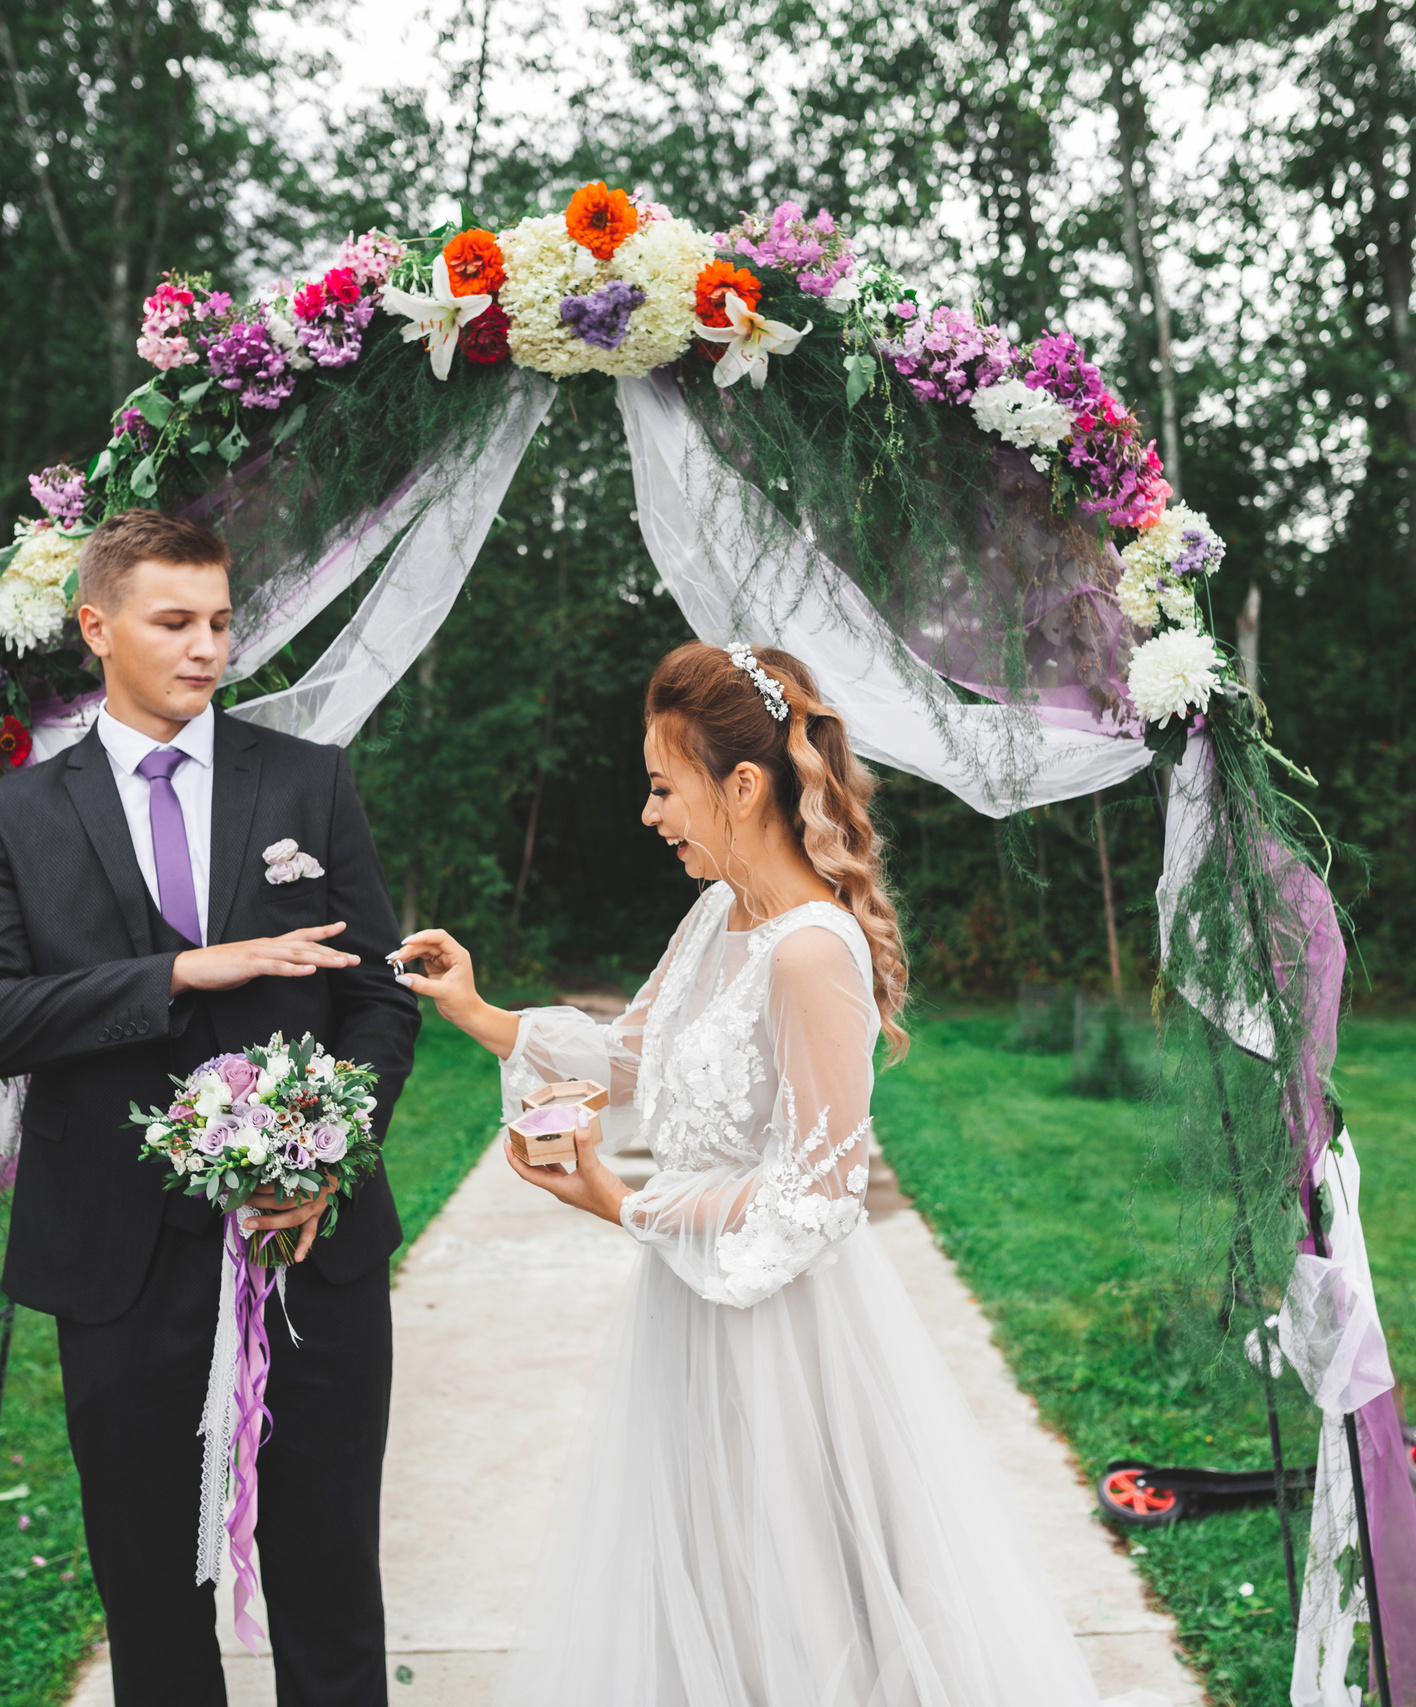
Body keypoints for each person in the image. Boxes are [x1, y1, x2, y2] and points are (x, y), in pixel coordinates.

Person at [395, 640, 1103, 1705]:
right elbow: (635, 1053)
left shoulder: (814, 949)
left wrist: (625, 1202)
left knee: (796, 1601)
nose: (649, 815)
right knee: (704, 1585)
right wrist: (480, 1013)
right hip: (691, 1308)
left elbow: (819, 1195)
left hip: (784, 1331)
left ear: (741, 783)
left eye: (660, 786)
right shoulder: (719, 913)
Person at [0, 508, 418, 1707]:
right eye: (174, 622)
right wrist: (175, 974)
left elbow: (380, 998)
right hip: (116, 1266)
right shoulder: (13, 818)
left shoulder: (308, 782)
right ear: (97, 626)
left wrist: (333, 1152)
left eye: (219, 621)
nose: (207, 647)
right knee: (152, 1610)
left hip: (313, 1256)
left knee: (332, 1593)